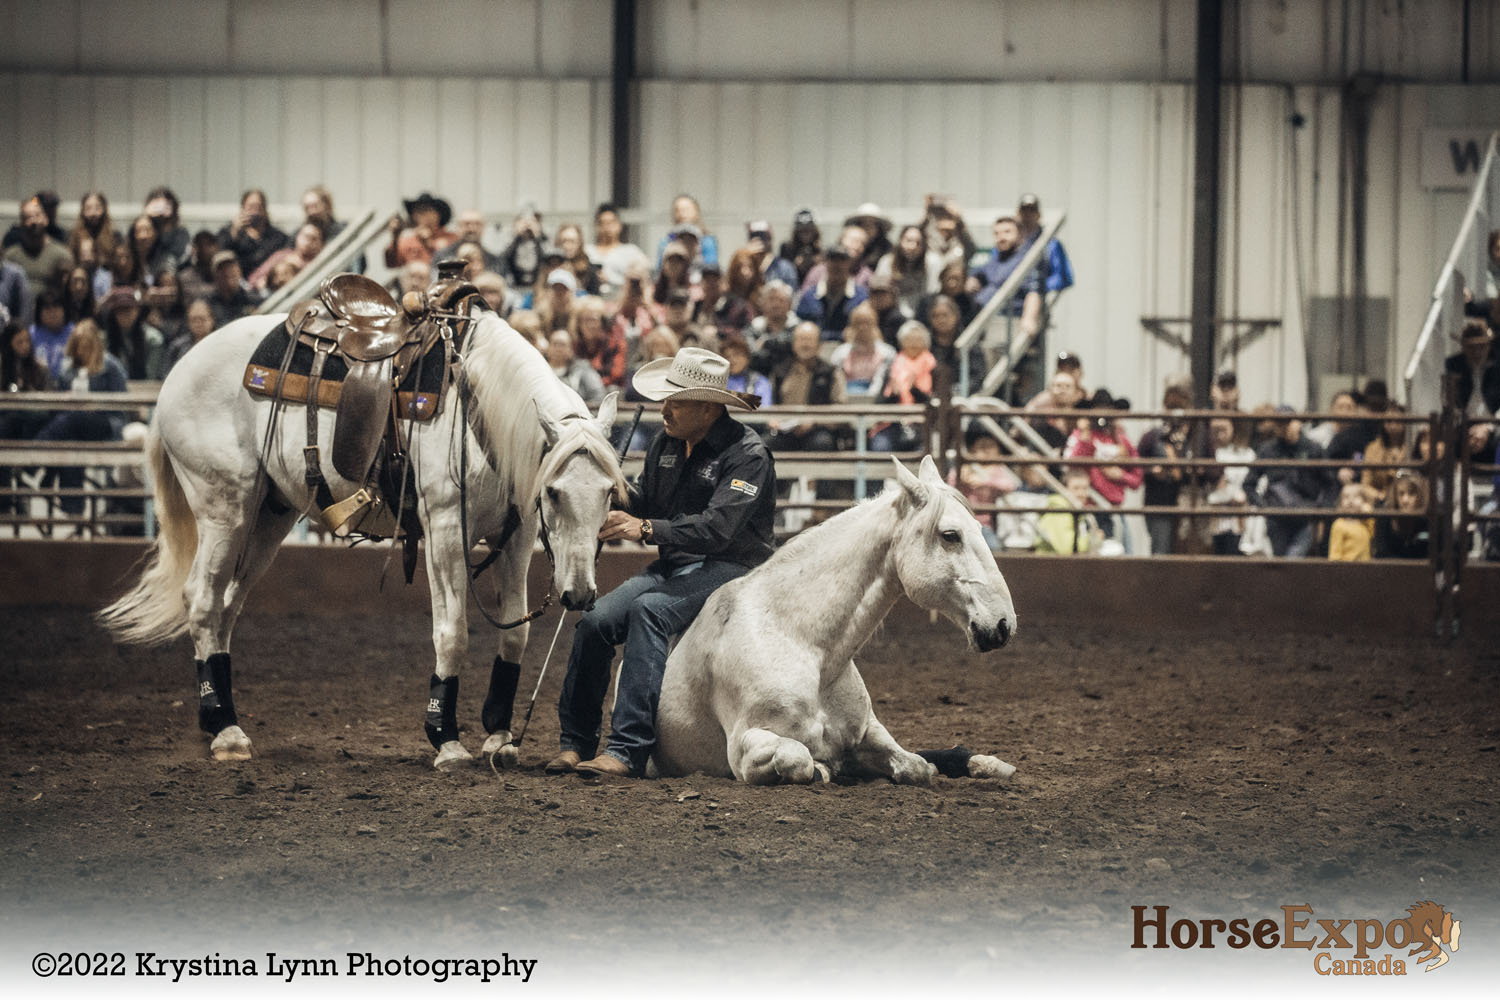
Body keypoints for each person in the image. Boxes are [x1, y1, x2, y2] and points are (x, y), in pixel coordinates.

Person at [550, 347, 775, 778]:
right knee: (595, 620)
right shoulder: (666, 443)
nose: (664, 408)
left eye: (676, 400)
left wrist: (647, 528)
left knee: (649, 610)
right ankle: (576, 742)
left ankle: (627, 749)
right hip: (677, 566)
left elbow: (719, 530)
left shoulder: (748, 454)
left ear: (707, 407)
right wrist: (608, 491)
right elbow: (646, 500)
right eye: (665, 398)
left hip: (734, 569)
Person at [34, 319, 128, 515]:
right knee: (70, 441)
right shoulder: (67, 368)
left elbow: (122, 404)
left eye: (86, 347)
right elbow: (58, 405)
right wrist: (65, 399)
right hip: (72, 425)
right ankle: (73, 511)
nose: (81, 352)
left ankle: (35, 460)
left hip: (104, 422)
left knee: (73, 419)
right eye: (78, 347)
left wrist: (96, 405)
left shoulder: (110, 366)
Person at [1245, 406, 1334, 557]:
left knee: (1291, 560)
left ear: (1298, 422)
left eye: (1288, 422)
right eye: (1280, 423)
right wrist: (1265, 507)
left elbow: (1330, 484)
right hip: (1278, 518)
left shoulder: (1314, 449)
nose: (1285, 427)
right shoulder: (1267, 450)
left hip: (1306, 517)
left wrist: (1320, 511)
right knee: (1283, 563)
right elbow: (1248, 484)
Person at [1064, 390, 1141, 549]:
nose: (1102, 418)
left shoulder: (1121, 439)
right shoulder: (1080, 435)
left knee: (1122, 553)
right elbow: (1071, 466)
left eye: (1107, 412)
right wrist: (1085, 437)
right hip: (1089, 507)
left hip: (1114, 509)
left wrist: (1121, 475)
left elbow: (1137, 478)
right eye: (1097, 411)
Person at [1136, 376, 1194, 554]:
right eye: (1171, 406)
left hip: (1189, 505)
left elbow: (1209, 466)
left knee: (1188, 554)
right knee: (1161, 552)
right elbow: (1136, 465)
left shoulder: (1196, 435)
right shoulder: (1153, 436)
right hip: (1159, 503)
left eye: (1180, 405)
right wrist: (1153, 472)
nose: (1175, 411)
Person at [769, 321, 847, 451]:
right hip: (785, 430)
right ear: (794, 344)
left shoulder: (831, 372)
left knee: (822, 443)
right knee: (765, 444)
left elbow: (840, 408)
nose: (805, 344)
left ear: (819, 345)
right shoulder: (780, 372)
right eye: (801, 340)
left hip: (818, 430)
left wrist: (814, 421)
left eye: (809, 340)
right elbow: (770, 403)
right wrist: (772, 419)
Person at [870, 320, 936, 452]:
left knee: (925, 451)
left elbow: (934, 404)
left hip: (923, 425)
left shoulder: (934, 368)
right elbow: (879, 403)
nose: (913, 344)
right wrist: (893, 394)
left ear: (926, 343)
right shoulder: (891, 368)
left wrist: (914, 390)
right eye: (909, 340)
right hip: (893, 424)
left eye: (918, 340)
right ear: (901, 343)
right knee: (880, 447)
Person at [951, 427, 1021, 549]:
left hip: (983, 525)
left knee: (995, 548)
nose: (987, 451)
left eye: (991, 446)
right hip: (960, 522)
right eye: (982, 447)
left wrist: (984, 481)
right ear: (973, 450)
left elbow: (1010, 485)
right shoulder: (966, 466)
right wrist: (960, 479)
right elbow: (950, 485)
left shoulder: (998, 469)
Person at [1445, 319, 1500, 457]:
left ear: (1489, 346)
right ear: (1463, 347)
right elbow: (1450, 402)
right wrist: (1465, 427)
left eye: (1481, 346)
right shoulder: (1454, 365)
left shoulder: (1498, 366)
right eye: (1471, 347)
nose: (1477, 352)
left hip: (1494, 425)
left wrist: (1488, 427)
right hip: (1464, 426)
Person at [1205, 415, 1256, 556]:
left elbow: (1252, 483)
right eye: (1215, 431)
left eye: (1223, 430)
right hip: (1216, 515)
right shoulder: (1209, 455)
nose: (1219, 435)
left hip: (1240, 515)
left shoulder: (1247, 454)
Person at [4, 197, 73, 299]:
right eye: (28, 217)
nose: (33, 221)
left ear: (46, 219)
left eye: (37, 215)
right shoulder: (10, 257)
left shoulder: (62, 255)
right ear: (21, 223)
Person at [795, 246, 868, 342]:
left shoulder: (860, 297)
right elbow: (800, 325)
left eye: (842, 260)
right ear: (825, 263)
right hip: (814, 347)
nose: (837, 265)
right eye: (833, 260)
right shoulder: (810, 296)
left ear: (849, 263)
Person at [98, 286, 165, 381]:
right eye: (120, 311)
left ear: (137, 310)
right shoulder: (104, 340)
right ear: (114, 314)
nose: (125, 314)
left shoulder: (153, 339)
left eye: (128, 309)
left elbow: (151, 376)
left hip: (146, 387)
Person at [217, 189, 289, 275]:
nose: (255, 212)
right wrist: (234, 231)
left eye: (258, 207)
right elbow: (222, 256)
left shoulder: (278, 238)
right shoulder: (229, 233)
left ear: (265, 210)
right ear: (243, 209)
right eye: (251, 207)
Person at [586, 203, 649, 299]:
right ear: (597, 226)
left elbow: (643, 279)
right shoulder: (587, 251)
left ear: (619, 225)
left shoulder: (631, 251)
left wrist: (611, 280)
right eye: (602, 223)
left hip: (621, 300)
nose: (607, 227)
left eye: (610, 222)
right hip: (592, 301)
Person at [830, 302, 895, 396]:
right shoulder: (840, 353)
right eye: (858, 322)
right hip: (846, 399)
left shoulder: (888, 353)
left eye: (867, 322)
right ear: (851, 325)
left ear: (875, 324)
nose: (863, 327)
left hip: (878, 400)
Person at [1015, 193, 1075, 294]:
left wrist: (1036, 287)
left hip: (1036, 296)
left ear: (1039, 215)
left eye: (1032, 210)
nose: (1028, 215)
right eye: (1024, 211)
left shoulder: (1051, 244)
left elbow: (1063, 277)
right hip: (1009, 297)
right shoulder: (1009, 244)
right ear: (1018, 214)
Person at [383, 192, 456, 269]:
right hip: (415, 276)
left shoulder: (452, 238)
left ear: (438, 214)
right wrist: (395, 237)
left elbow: (452, 260)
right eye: (416, 211)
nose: (419, 214)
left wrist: (430, 244)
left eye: (425, 210)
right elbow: (391, 263)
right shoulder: (409, 241)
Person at [1034, 467, 1098, 554]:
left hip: (1061, 561)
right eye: (1076, 488)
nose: (1081, 493)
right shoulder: (1057, 510)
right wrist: (1093, 539)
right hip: (1050, 561)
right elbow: (1067, 549)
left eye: (1085, 488)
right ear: (1064, 490)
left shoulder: (1075, 510)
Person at [249, 222, 324, 291]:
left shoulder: (319, 264)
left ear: (320, 243)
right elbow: (254, 279)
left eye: (314, 239)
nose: (308, 242)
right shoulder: (282, 255)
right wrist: (262, 283)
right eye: (306, 236)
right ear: (298, 237)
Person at [1374, 471, 1430, 559]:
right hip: (1391, 567)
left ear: (1421, 496)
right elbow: (1381, 553)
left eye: (1411, 494)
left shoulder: (1428, 520)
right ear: (1395, 496)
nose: (1405, 500)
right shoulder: (1384, 517)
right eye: (1401, 494)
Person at [746, 279, 797, 372]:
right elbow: (751, 354)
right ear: (762, 303)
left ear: (790, 305)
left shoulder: (798, 328)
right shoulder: (753, 328)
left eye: (781, 300)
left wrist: (766, 342)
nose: (776, 305)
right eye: (771, 299)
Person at [545, 329, 605, 405]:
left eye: (562, 345)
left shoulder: (583, 370)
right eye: (555, 344)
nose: (558, 349)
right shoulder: (540, 371)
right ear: (548, 347)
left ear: (570, 349)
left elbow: (598, 396)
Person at [206, 250, 261, 327]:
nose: (227, 272)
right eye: (222, 269)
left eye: (231, 267)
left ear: (239, 271)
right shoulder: (210, 306)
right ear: (215, 276)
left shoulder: (251, 297)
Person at [28, 288, 73, 379]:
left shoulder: (75, 333)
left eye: (56, 307)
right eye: (47, 308)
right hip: (38, 383)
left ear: (64, 310)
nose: (52, 313)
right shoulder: (31, 334)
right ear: (39, 313)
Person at [720, 332, 773, 409]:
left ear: (747, 358)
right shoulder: (718, 382)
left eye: (737, 355)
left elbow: (764, 408)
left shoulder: (759, 381)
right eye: (727, 356)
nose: (732, 360)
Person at [163, 298, 216, 373]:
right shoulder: (177, 347)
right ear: (188, 321)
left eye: (202, 319)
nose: (198, 323)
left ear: (212, 320)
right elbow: (166, 374)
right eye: (194, 319)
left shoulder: (222, 345)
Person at [1327, 482, 1376, 561]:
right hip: (1346, 566)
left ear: (1364, 500)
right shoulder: (1339, 524)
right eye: (1346, 497)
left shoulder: (1364, 522)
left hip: (1365, 566)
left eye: (1356, 496)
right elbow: (1334, 554)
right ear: (1340, 502)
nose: (1350, 500)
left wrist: (1368, 513)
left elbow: (1372, 532)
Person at [844, 202, 893, 274]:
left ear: (879, 228)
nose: (867, 228)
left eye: (871, 224)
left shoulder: (886, 248)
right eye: (863, 224)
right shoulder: (847, 246)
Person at [777, 209, 822, 286]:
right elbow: (781, 273)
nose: (805, 233)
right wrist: (794, 266)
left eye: (808, 230)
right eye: (802, 230)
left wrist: (816, 264)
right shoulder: (787, 249)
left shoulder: (819, 250)